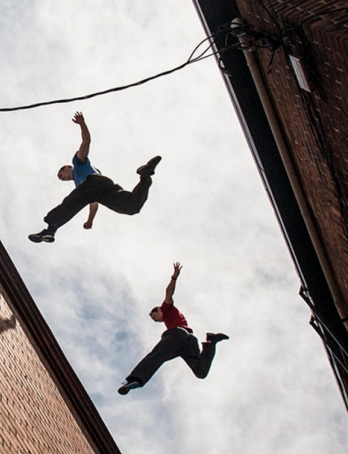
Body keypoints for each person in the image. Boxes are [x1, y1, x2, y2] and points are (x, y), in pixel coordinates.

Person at [28, 112, 162, 243]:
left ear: (67, 167)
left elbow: (86, 141)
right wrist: (90, 220)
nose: (62, 178)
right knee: (132, 206)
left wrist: (82, 124)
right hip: (105, 188)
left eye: (61, 175)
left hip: (95, 182)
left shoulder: (78, 163)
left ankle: (50, 228)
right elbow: (93, 203)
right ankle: (146, 174)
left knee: (71, 201)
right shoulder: (81, 187)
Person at [118, 262, 229, 395]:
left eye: (155, 317)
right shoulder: (171, 317)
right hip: (189, 340)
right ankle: (211, 342)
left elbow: (169, 294)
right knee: (201, 372)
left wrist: (174, 278)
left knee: (156, 355)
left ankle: (134, 380)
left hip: (177, 336)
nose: (157, 320)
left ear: (159, 310)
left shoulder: (166, 308)